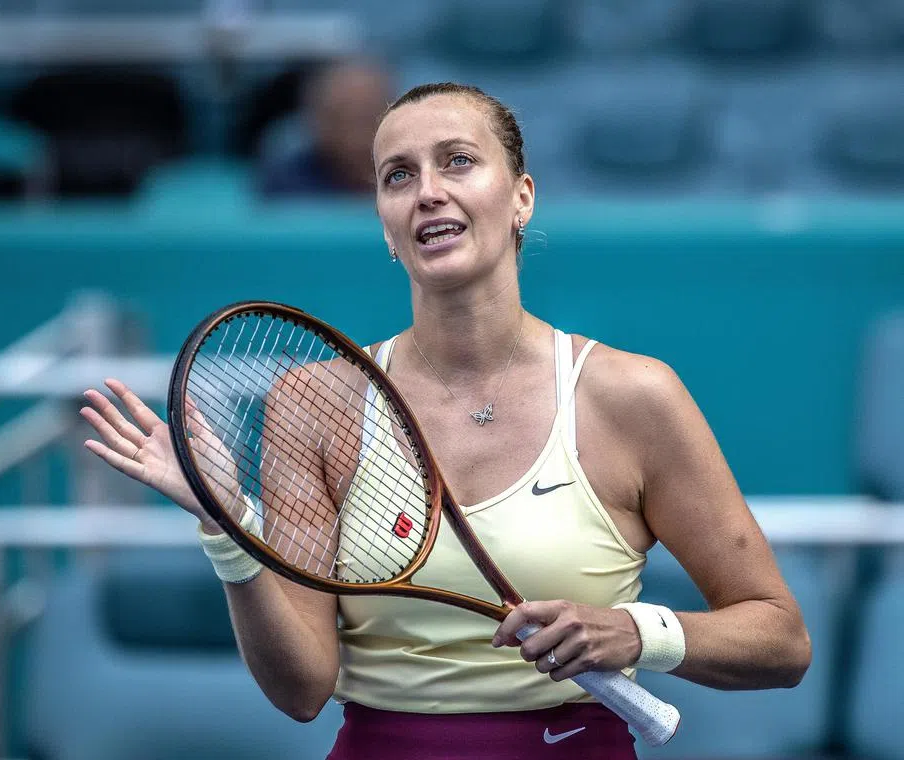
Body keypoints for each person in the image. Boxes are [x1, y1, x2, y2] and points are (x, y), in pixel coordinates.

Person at [80, 82, 811, 759]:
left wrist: (636, 631)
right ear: (386, 227)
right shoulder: (316, 404)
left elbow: (780, 639)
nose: (428, 192)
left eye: (457, 162)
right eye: (398, 175)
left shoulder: (634, 396)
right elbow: (301, 691)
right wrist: (228, 527)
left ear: (522, 197)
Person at [259, 60, 393, 197]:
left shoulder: (410, 172)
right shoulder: (287, 177)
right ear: (316, 121)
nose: (356, 135)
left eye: (367, 117)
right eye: (340, 118)